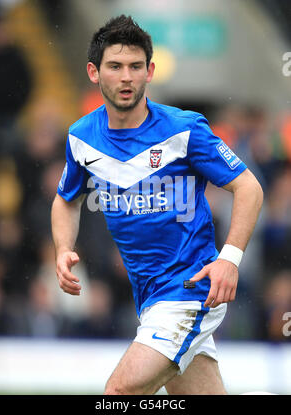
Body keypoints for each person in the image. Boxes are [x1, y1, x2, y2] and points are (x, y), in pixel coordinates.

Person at [51, 15, 263, 395]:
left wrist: (229, 259)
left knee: (118, 393)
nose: (126, 77)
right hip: (150, 295)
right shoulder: (81, 137)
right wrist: (64, 249)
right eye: (115, 66)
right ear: (94, 73)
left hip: (191, 288)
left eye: (135, 67)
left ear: (150, 71)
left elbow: (249, 187)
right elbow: (66, 199)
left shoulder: (184, 129)